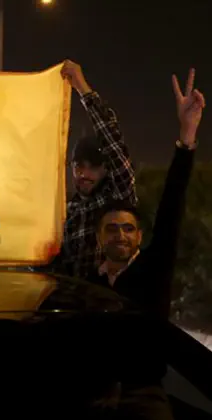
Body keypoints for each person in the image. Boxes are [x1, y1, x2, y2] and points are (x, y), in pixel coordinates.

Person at [87, 68, 205, 420]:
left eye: (128, 228)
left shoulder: (153, 269)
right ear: (98, 237)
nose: (120, 235)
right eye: (112, 228)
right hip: (90, 395)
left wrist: (186, 137)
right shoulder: (87, 284)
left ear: (139, 236)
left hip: (144, 396)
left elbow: (172, 205)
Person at [46, 60, 137, 279]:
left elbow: (113, 142)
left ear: (105, 169)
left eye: (93, 167)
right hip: (75, 306)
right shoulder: (67, 212)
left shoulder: (117, 197)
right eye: (79, 167)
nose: (84, 175)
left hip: (110, 301)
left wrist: (82, 87)